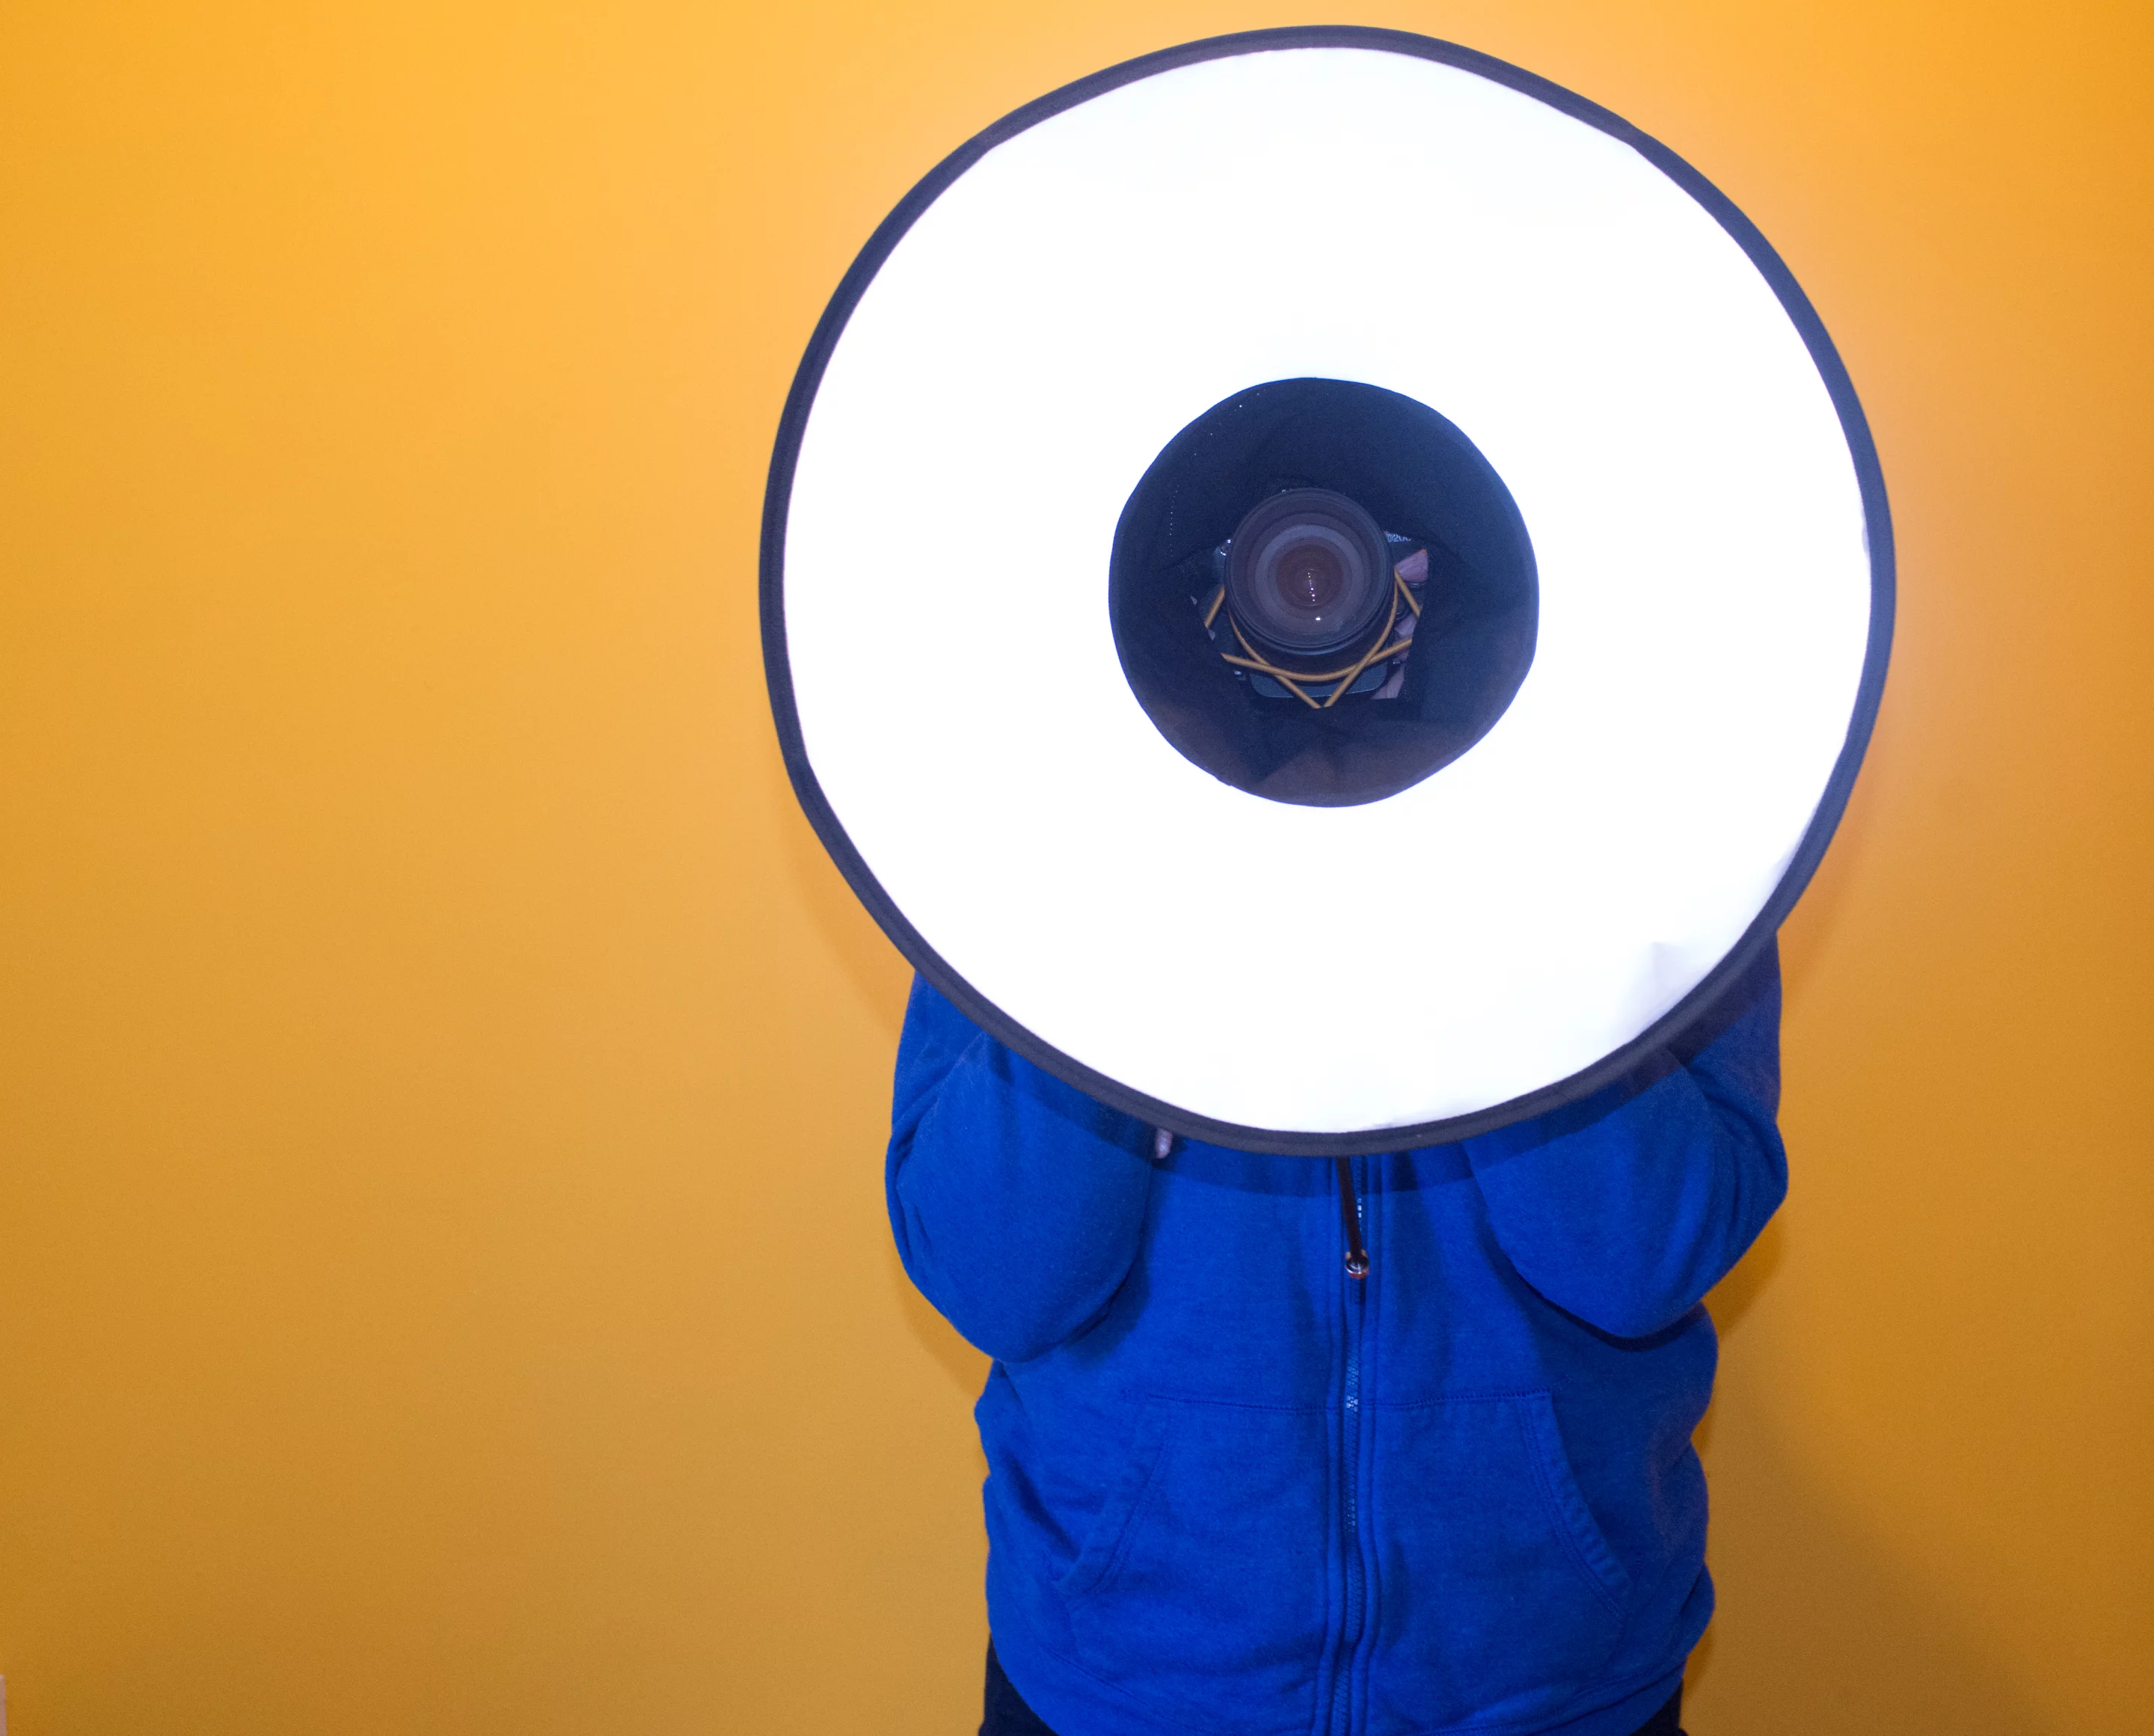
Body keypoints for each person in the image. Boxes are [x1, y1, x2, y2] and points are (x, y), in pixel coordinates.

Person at [886, 941, 1787, 1736]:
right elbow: (994, 1275)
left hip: (1552, 1677)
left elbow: (1644, 1257)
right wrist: (1129, 916)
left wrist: (1503, 914)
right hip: (1121, 1681)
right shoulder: (1024, 839)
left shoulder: (1672, 836)